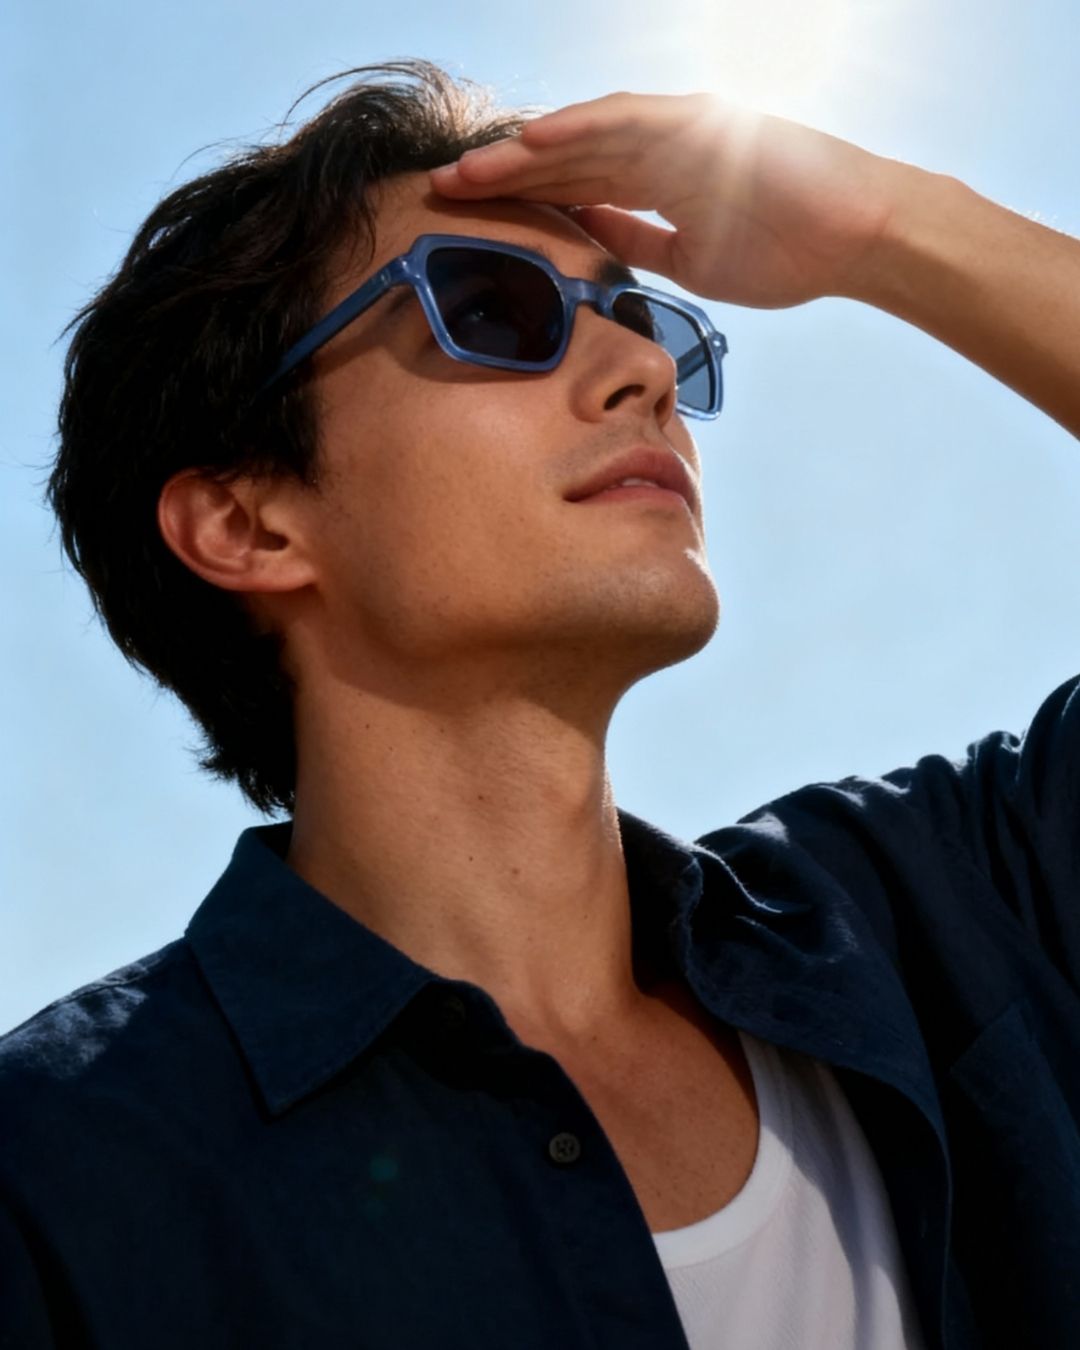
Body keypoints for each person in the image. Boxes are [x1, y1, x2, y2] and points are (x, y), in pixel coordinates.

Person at [1, 56, 1078, 1350]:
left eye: (643, 318)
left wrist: (888, 229)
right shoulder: (55, 1181)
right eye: (492, 309)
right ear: (248, 522)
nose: (643, 369)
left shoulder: (932, 914)